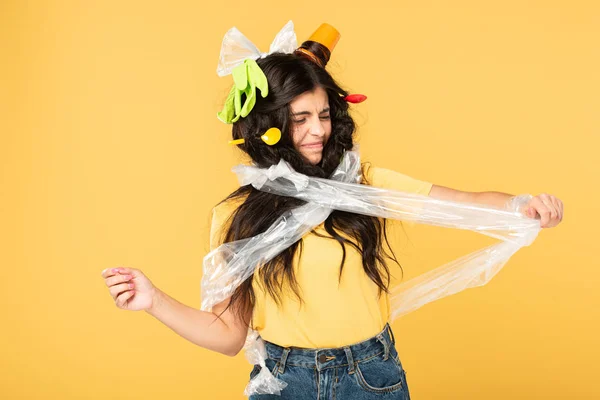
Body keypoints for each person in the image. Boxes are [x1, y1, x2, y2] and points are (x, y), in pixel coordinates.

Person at [101, 21, 564, 400]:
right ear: (268, 125)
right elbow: (228, 335)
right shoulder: (238, 218)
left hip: (370, 376)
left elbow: (462, 203)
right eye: (299, 119)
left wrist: (522, 206)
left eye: (323, 115)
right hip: (285, 381)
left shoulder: (361, 185)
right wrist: (154, 300)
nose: (316, 131)